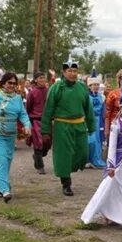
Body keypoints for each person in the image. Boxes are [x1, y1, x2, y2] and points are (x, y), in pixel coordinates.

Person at [81, 82, 122, 234]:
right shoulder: (116, 125)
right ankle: (107, 212)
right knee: (111, 188)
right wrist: (110, 165)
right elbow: (112, 147)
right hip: (118, 162)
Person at [41, 60, 96, 196]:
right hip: (62, 125)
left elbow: (88, 108)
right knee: (64, 155)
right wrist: (45, 130)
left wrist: (91, 125)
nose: (72, 74)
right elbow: (48, 110)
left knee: (82, 152)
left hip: (79, 125)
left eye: (75, 71)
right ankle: (66, 182)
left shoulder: (82, 87)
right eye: (69, 71)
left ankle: (68, 170)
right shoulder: (56, 88)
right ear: (64, 72)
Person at [0, 72, 31, 202]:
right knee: (2, 160)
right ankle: (5, 189)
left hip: (10, 134)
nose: (12, 85)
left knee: (6, 161)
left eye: (14, 83)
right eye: (9, 83)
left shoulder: (18, 98)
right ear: (3, 83)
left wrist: (27, 125)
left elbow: (23, 114)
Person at [26, 72, 49, 174]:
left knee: (47, 143)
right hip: (36, 121)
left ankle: (37, 156)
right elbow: (28, 107)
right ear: (36, 80)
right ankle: (40, 166)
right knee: (38, 143)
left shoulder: (49, 91)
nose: (43, 79)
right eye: (40, 78)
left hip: (47, 121)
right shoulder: (32, 93)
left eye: (44, 77)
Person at [104, 68, 122, 139]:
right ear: (119, 80)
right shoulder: (112, 94)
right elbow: (107, 113)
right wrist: (107, 129)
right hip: (115, 126)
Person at [87, 68, 107, 168]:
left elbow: (104, 110)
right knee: (89, 141)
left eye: (97, 85)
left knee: (97, 140)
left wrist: (103, 122)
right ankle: (87, 160)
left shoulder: (101, 97)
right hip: (88, 120)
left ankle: (96, 160)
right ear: (89, 86)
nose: (95, 87)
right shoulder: (86, 96)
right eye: (93, 85)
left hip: (98, 121)